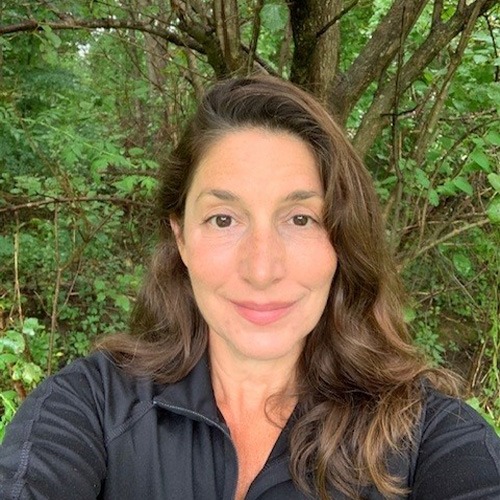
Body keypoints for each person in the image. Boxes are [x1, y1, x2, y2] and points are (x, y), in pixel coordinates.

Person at [0, 75, 499, 500]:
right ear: (181, 238)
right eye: (223, 219)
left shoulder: (426, 438)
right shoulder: (89, 408)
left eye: (300, 218)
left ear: (342, 242)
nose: (262, 269)